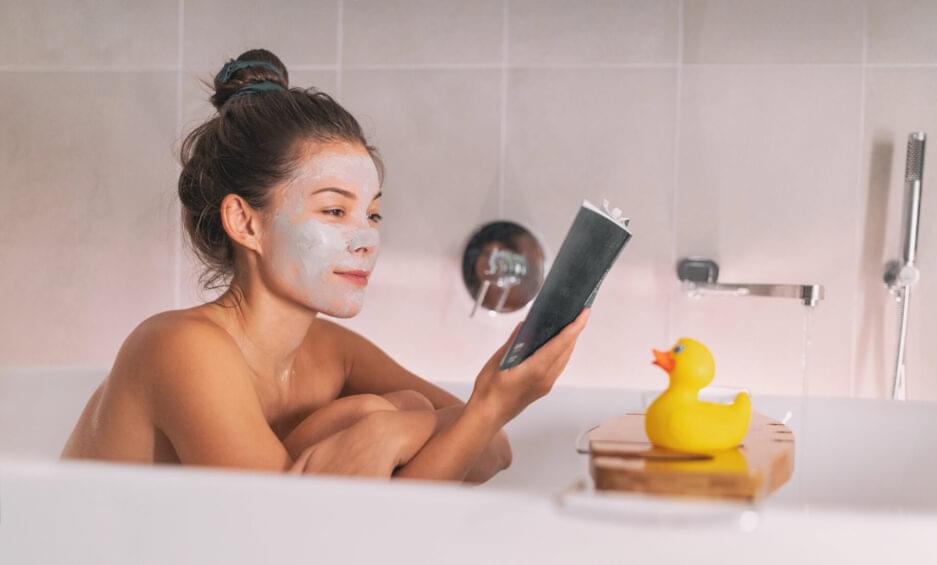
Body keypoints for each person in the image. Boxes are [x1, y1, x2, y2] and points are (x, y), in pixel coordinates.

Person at [61, 49, 590, 483]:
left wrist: (398, 430)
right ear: (245, 222)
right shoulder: (181, 348)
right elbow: (286, 539)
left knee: (388, 410)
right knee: (374, 410)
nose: (365, 240)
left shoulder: (330, 351)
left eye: (372, 214)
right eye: (334, 211)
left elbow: (494, 449)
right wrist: (466, 409)